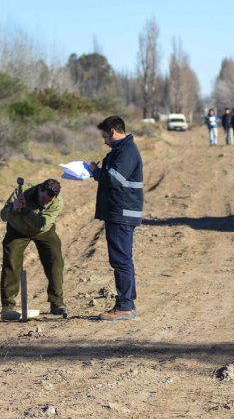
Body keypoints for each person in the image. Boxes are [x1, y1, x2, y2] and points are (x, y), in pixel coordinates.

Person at [88, 116, 144, 321]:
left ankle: (125, 307)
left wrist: (95, 172)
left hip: (122, 213)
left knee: (121, 260)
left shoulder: (127, 151)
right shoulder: (120, 151)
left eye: (104, 136)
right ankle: (126, 303)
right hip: (118, 212)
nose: (104, 141)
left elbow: (113, 179)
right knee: (121, 259)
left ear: (112, 131)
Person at [0, 178, 66, 320]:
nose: (44, 202)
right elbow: (3, 215)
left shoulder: (58, 203)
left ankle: (57, 303)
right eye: (42, 198)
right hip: (17, 229)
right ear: (39, 189)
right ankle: (8, 306)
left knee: (55, 261)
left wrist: (25, 211)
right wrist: (14, 207)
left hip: (42, 232)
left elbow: (41, 225)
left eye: (48, 201)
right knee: (11, 261)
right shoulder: (22, 191)